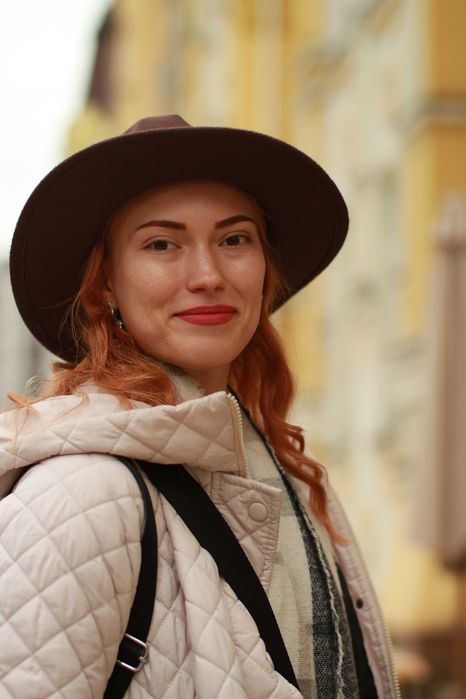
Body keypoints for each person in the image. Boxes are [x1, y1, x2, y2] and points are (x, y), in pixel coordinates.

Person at [0, 115, 399, 699]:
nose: (208, 276)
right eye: (162, 244)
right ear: (106, 284)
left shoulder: (278, 466)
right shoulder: (82, 490)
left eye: (235, 240)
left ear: (265, 269)